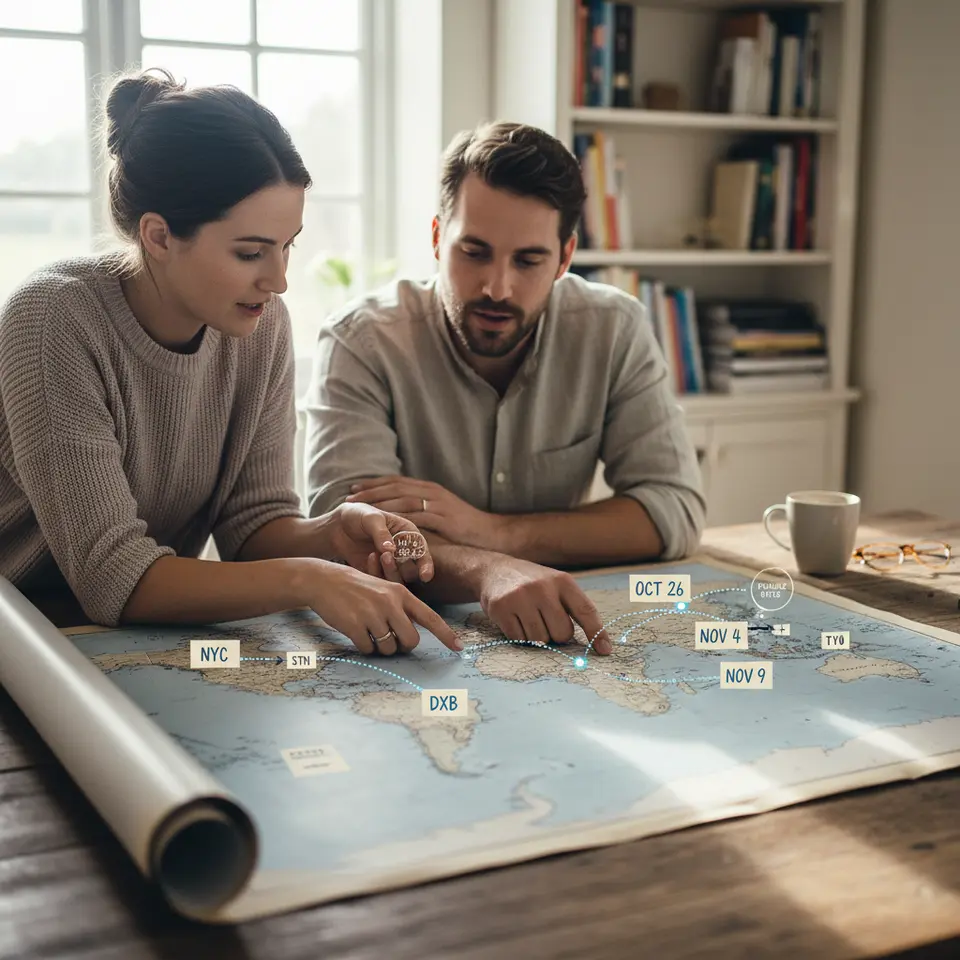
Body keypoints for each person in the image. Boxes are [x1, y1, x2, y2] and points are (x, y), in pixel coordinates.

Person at [0, 69, 459, 658]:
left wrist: (330, 534)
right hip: (23, 642)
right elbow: (112, 578)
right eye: (250, 252)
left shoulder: (259, 324)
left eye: (287, 244)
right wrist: (309, 578)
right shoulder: (53, 319)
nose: (279, 280)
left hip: (124, 648)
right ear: (159, 236)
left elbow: (253, 525)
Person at [305, 121, 706, 655]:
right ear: (435, 238)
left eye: (528, 260)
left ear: (564, 257)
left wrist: (495, 533)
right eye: (474, 252)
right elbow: (348, 538)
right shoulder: (362, 341)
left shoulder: (614, 329)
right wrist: (484, 568)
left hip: (554, 638)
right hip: (414, 643)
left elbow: (673, 510)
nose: (498, 287)